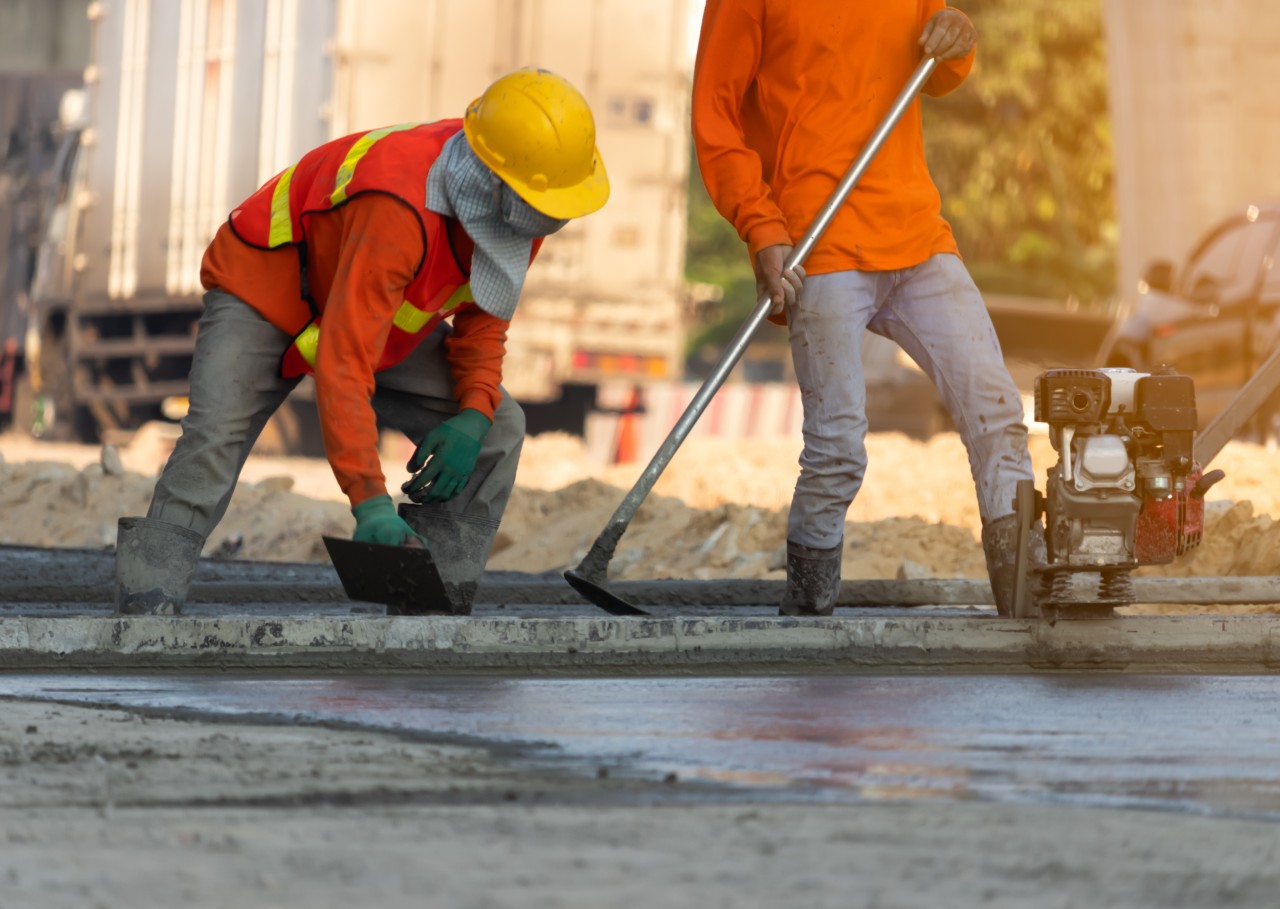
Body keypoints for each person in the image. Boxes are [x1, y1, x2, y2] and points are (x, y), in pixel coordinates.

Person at [113, 68, 609, 616]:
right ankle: (147, 602)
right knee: (214, 438)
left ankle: (432, 600)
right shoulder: (398, 206)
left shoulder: (523, 208)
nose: (543, 226)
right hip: (266, 284)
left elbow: (484, 320)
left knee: (499, 427)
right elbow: (343, 364)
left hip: (372, 307)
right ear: (492, 182)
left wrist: (472, 413)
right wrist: (369, 501)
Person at [691, 2, 1036, 617]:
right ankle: (808, 610)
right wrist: (759, 224)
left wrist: (958, 36)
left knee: (998, 414)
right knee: (836, 449)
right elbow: (714, 116)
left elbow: (941, 64)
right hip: (818, 241)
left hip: (916, 232)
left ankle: (1021, 600)